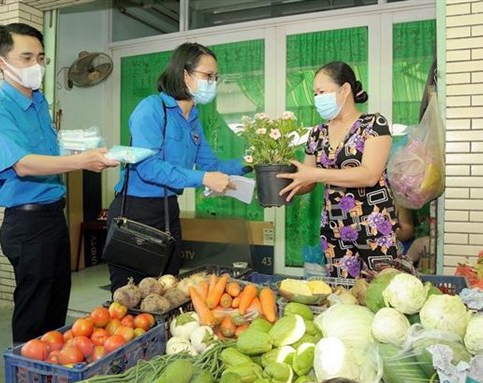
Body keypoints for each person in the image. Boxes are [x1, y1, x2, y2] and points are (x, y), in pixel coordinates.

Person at [0, 23, 120, 343]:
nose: (37, 66)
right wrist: (80, 161)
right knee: (34, 312)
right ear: (1, 62)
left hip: (52, 215)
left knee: (57, 304)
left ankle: (53, 375)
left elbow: (49, 151)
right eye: (26, 57)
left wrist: (85, 151)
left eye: (41, 57)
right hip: (27, 222)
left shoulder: (39, 102)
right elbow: (23, 163)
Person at [107, 42, 250, 293]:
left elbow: (212, 165)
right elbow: (148, 168)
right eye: (207, 76)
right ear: (185, 75)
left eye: (216, 77)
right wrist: (204, 178)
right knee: (132, 296)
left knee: (169, 290)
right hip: (136, 211)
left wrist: (251, 163)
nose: (213, 82)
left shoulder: (193, 119)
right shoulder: (151, 109)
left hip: (168, 211)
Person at [278, 61, 399, 278]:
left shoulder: (373, 124)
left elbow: (369, 175)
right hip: (334, 229)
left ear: (345, 90)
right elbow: (309, 179)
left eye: (322, 92)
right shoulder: (317, 133)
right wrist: (287, 185)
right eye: (315, 94)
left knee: (383, 291)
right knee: (343, 296)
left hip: (373, 226)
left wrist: (316, 173)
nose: (317, 99)